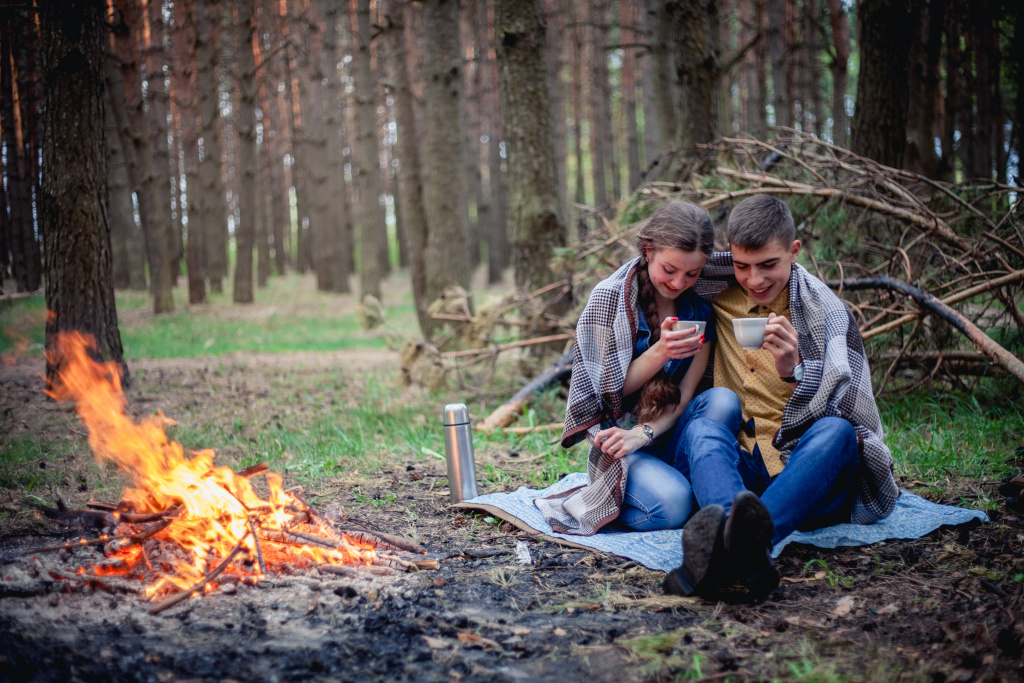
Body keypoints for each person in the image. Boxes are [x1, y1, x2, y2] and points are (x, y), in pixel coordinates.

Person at [664, 194, 900, 600]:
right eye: (742, 266)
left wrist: (795, 371)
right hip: (744, 473)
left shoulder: (824, 312)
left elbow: (851, 411)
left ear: (794, 252)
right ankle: (742, 541)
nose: (754, 280)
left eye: (768, 265)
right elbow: (656, 274)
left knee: (838, 432)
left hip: (807, 476)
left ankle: (731, 544)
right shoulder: (715, 295)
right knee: (703, 429)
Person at [535, 201, 717, 535]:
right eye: (669, 269)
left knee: (721, 401)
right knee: (674, 505)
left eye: (692, 273)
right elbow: (608, 392)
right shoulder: (610, 299)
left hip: (670, 432)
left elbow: (687, 394)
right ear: (649, 250)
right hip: (620, 443)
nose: (679, 282)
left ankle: (713, 505)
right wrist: (661, 351)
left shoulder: (699, 307)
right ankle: (611, 501)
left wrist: (646, 433)